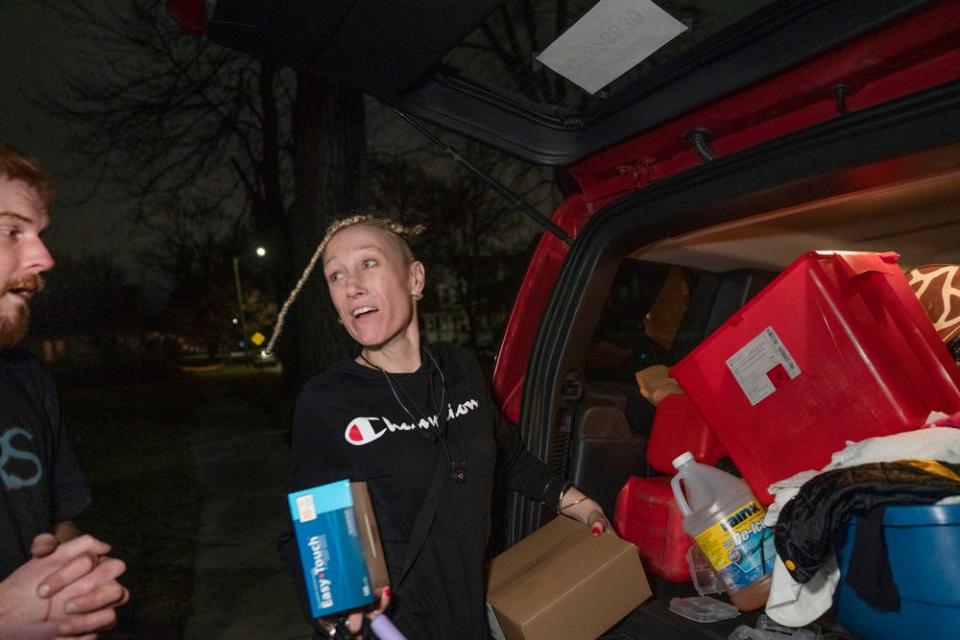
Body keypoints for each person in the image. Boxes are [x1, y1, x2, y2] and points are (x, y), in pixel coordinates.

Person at [277, 215, 610, 639]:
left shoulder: (460, 368)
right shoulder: (327, 401)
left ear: (415, 278)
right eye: (335, 275)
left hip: (468, 614)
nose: (351, 285)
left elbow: (506, 455)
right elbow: (303, 535)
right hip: (392, 628)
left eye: (368, 263)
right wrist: (338, 612)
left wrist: (575, 500)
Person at [0, 142, 128, 638]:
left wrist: (70, 575)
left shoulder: (27, 379)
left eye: (40, 234)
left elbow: (60, 521)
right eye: (12, 230)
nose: (44, 257)